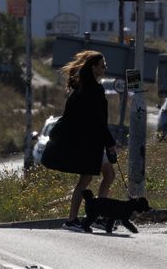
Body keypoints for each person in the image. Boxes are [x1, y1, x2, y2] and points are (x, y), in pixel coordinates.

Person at [39, 49, 118, 232]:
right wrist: (110, 142)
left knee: (105, 175)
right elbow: (97, 120)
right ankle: (73, 220)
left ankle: (94, 216)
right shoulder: (91, 90)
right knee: (88, 179)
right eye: (102, 66)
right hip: (89, 143)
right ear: (93, 68)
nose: (105, 68)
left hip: (90, 142)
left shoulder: (85, 87)